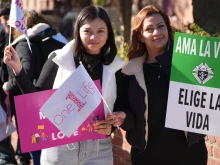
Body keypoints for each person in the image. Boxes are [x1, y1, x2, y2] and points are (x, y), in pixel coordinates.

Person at [4, 6, 125, 165]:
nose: (94, 36)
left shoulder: (115, 66)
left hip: (98, 151)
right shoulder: (59, 59)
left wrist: (112, 127)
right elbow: (36, 98)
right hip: (60, 149)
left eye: (100, 31)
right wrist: (18, 69)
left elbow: (122, 107)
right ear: (78, 31)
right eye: (87, 31)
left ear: (108, 33)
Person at [108, 5, 208, 165]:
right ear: (140, 36)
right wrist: (124, 117)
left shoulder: (190, 62)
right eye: (149, 29)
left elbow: (205, 98)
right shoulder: (130, 73)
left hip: (189, 154)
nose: (157, 33)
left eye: (161, 26)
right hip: (147, 156)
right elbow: (128, 114)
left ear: (168, 29)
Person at [2, 10, 67, 165]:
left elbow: (26, 69)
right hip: (59, 100)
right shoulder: (59, 40)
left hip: (32, 99)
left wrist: (9, 86)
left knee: (37, 149)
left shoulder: (25, 42)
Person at [0, 2, 18, 165]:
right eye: (4, 18)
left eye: (9, 18)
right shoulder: (2, 36)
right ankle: (8, 156)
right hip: (2, 90)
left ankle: (13, 157)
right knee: (4, 126)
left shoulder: (17, 37)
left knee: (18, 125)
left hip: (15, 88)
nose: (6, 21)